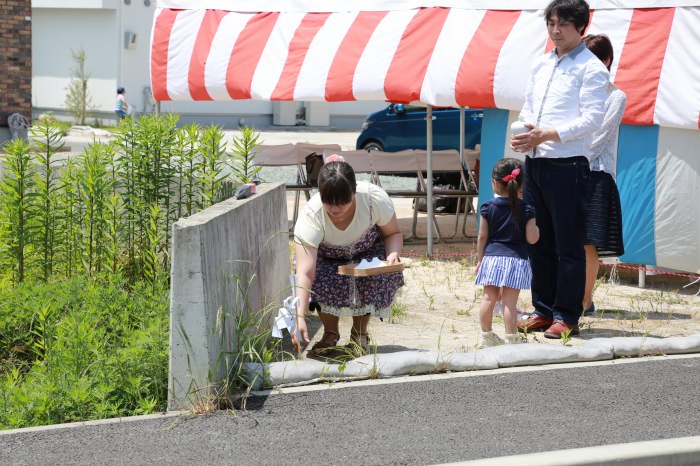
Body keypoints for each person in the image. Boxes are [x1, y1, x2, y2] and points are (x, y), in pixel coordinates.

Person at [511, 0, 609, 338]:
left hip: (568, 165)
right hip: (536, 161)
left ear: (581, 26)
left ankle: (566, 316)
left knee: (569, 244)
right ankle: (542, 309)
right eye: (551, 23)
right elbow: (529, 105)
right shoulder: (540, 65)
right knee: (538, 241)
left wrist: (548, 134)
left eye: (563, 24)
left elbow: (593, 119)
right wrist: (527, 132)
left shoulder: (592, 68)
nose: (555, 30)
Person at [291, 155, 404, 359]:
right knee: (320, 279)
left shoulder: (373, 199)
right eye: (329, 203)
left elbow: (392, 233)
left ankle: (359, 335)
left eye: (343, 202)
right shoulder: (311, 215)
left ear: (355, 192)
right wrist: (299, 317)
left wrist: (393, 254)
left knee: (368, 280)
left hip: (366, 253)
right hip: (326, 258)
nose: (335, 210)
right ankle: (330, 334)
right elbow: (305, 271)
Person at [581, 34, 626, 316]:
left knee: (588, 243)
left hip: (596, 174)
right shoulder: (576, 93)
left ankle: (585, 301)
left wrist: (570, 157)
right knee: (566, 240)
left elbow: (599, 138)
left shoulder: (615, 96)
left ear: (606, 61)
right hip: (571, 172)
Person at [475, 158, 539, 347]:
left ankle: (487, 336)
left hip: (492, 259)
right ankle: (511, 338)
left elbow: (482, 237)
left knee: (488, 298)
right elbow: (532, 238)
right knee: (509, 303)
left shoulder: (487, 207)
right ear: (522, 185)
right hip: (515, 260)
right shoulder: (527, 208)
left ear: (495, 183)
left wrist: (480, 260)